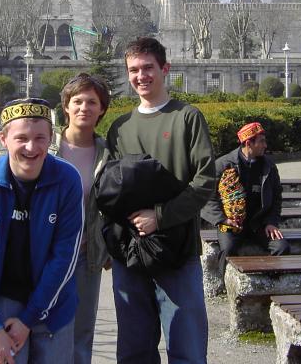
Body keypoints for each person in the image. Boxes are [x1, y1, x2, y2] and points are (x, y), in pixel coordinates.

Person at [106, 37, 215, 364]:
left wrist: (161, 216)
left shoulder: (187, 118)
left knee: (187, 350)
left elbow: (205, 181)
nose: (141, 76)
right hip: (131, 255)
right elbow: (110, 190)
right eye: (133, 70)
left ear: (164, 69)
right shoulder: (120, 128)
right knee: (134, 352)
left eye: (148, 68)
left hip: (178, 253)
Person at [0, 98, 84, 364]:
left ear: (51, 138)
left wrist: (29, 318)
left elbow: (65, 257)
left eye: (40, 138)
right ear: (3, 139)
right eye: (21, 138)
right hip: (0, 303)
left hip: (53, 304)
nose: (31, 147)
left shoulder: (67, 179)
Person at [49, 73, 111, 364]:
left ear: (102, 109)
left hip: (87, 255)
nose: (84, 107)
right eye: (77, 101)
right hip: (46, 255)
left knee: (81, 333)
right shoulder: (47, 148)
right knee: (45, 329)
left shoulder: (108, 154)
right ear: (66, 106)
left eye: (92, 102)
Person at [203, 122, 289, 277]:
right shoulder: (222, 165)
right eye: (262, 141)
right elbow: (207, 197)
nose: (265, 145)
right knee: (227, 250)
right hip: (230, 223)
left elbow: (276, 198)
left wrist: (271, 222)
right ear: (248, 143)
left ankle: (269, 282)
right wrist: (223, 219)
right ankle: (226, 283)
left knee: (281, 247)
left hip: (259, 224)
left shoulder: (269, 166)